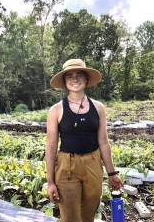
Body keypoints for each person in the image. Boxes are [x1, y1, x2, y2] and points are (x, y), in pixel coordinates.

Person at [46, 59, 123, 222]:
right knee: (70, 217)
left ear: (86, 79)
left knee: (89, 214)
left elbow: (103, 142)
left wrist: (112, 173)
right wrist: (50, 181)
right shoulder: (56, 110)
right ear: (65, 82)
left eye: (79, 74)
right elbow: (51, 147)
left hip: (93, 164)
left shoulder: (98, 108)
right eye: (70, 76)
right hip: (67, 167)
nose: (75, 79)